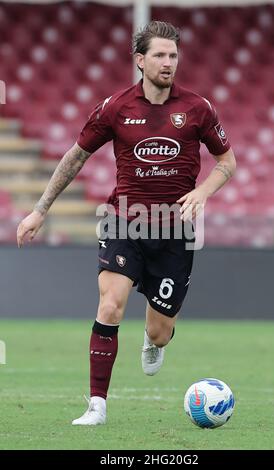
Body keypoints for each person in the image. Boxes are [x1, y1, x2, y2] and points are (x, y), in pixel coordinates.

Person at [17, 21, 236, 425]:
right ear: (140, 60)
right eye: (159, 55)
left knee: (158, 331)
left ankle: (156, 342)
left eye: (173, 55)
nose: (168, 63)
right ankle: (96, 406)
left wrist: (203, 192)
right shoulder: (116, 107)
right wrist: (40, 209)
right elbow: (75, 157)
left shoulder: (198, 108)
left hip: (173, 233)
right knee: (110, 305)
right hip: (125, 224)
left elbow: (228, 161)